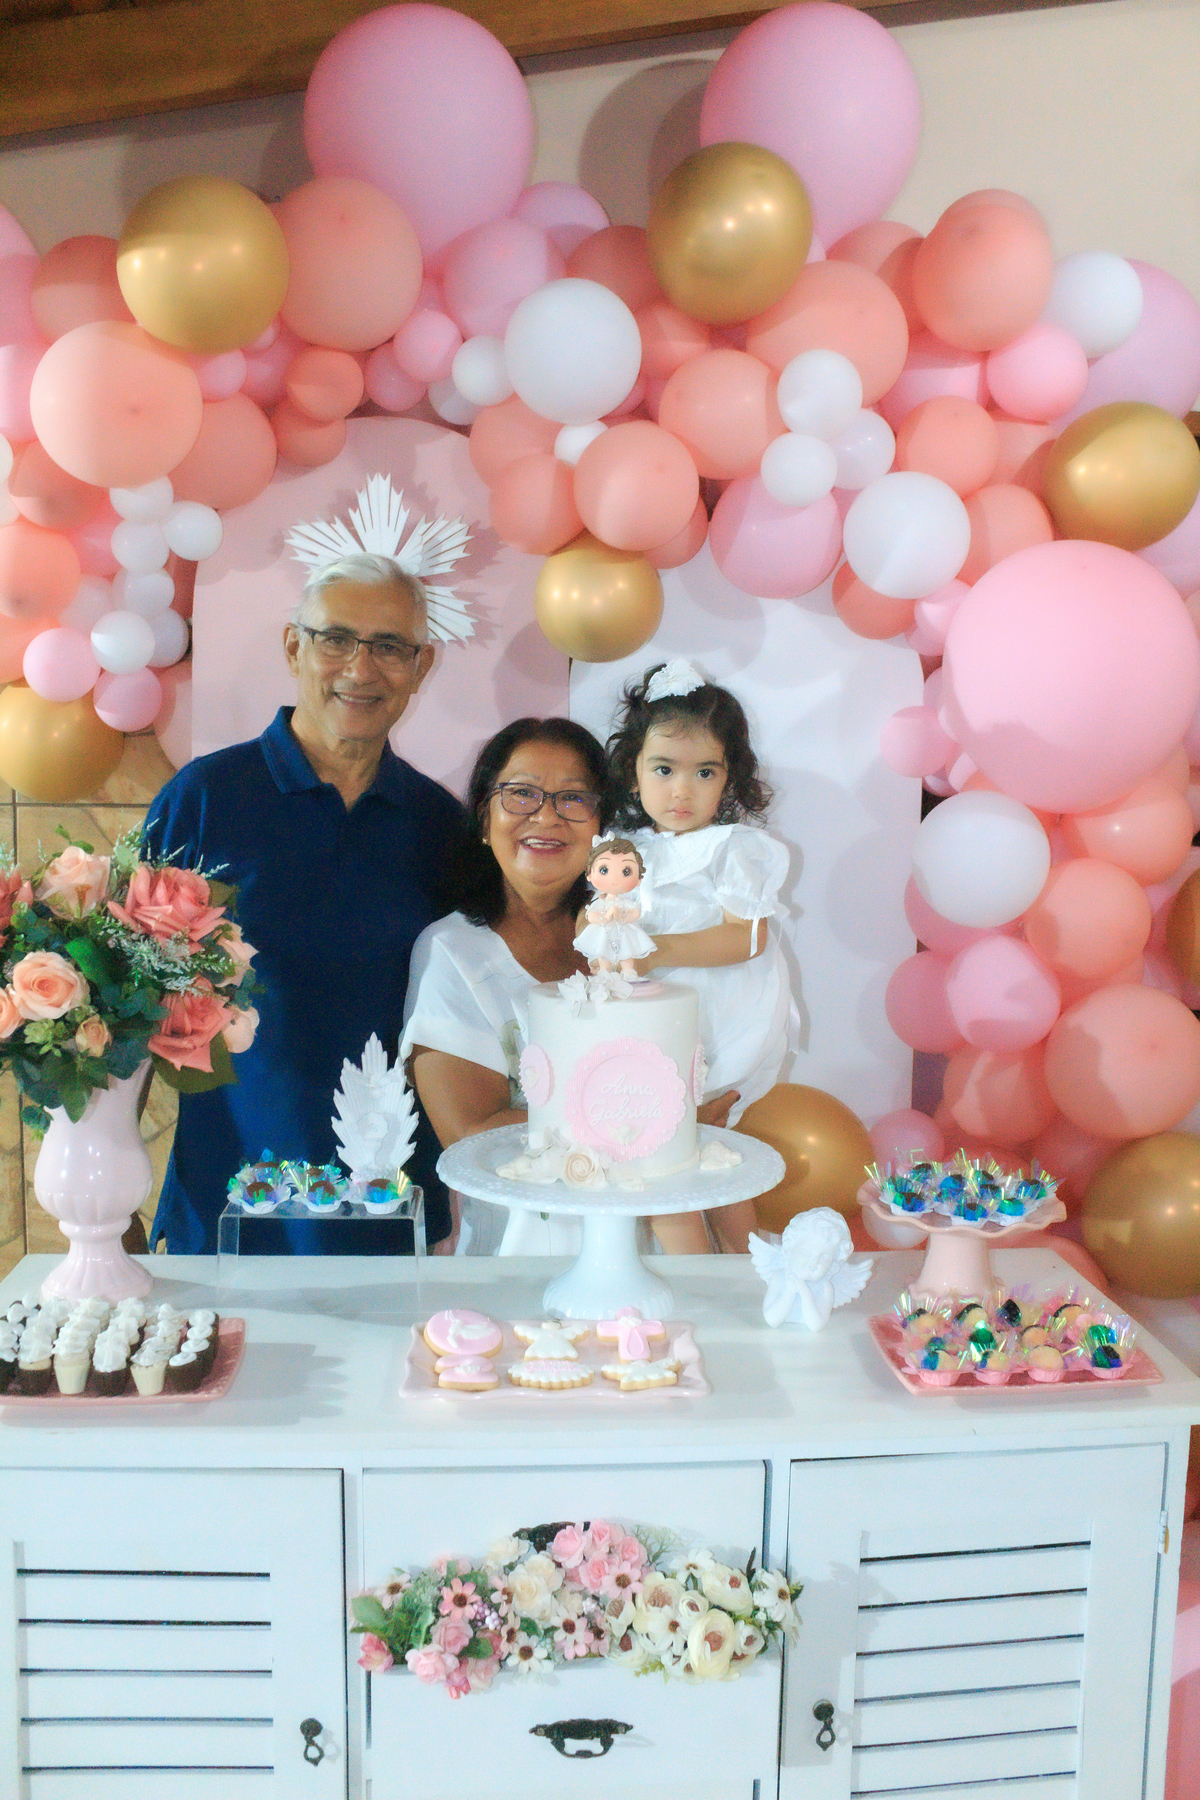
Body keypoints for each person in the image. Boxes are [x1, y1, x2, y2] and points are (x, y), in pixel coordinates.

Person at [143, 548, 465, 1253]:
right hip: (230, 1202)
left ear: (421, 666)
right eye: (336, 638)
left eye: (389, 646)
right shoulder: (203, 800)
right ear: (294, 647)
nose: (361, 668)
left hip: (390, 1211)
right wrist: (110, 1189)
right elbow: (125, 1000)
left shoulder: (442, 827)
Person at [400, 718, 739, 1255]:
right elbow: (470, 1136)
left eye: (574, 798)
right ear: (484, 817)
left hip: (657, 1252)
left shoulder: (641, 937)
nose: (546, 816)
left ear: (604, 826)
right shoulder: (453, 953)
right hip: (525, 1260)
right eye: (521, 793)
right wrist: (660, 1124)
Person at [606, 657, 794, 1254]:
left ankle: (738, 1272)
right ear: (633, 772)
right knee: (689, 1157)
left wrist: (659, 949)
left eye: (704, 772)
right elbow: (602, 915)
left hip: (716, 1019)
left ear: (729, 779)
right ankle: (733, 1277)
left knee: (693, 1157)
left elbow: (747, 936)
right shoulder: (624, 848)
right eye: (664, 769)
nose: (682, 790)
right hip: (650, 1018)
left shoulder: (732, 848)